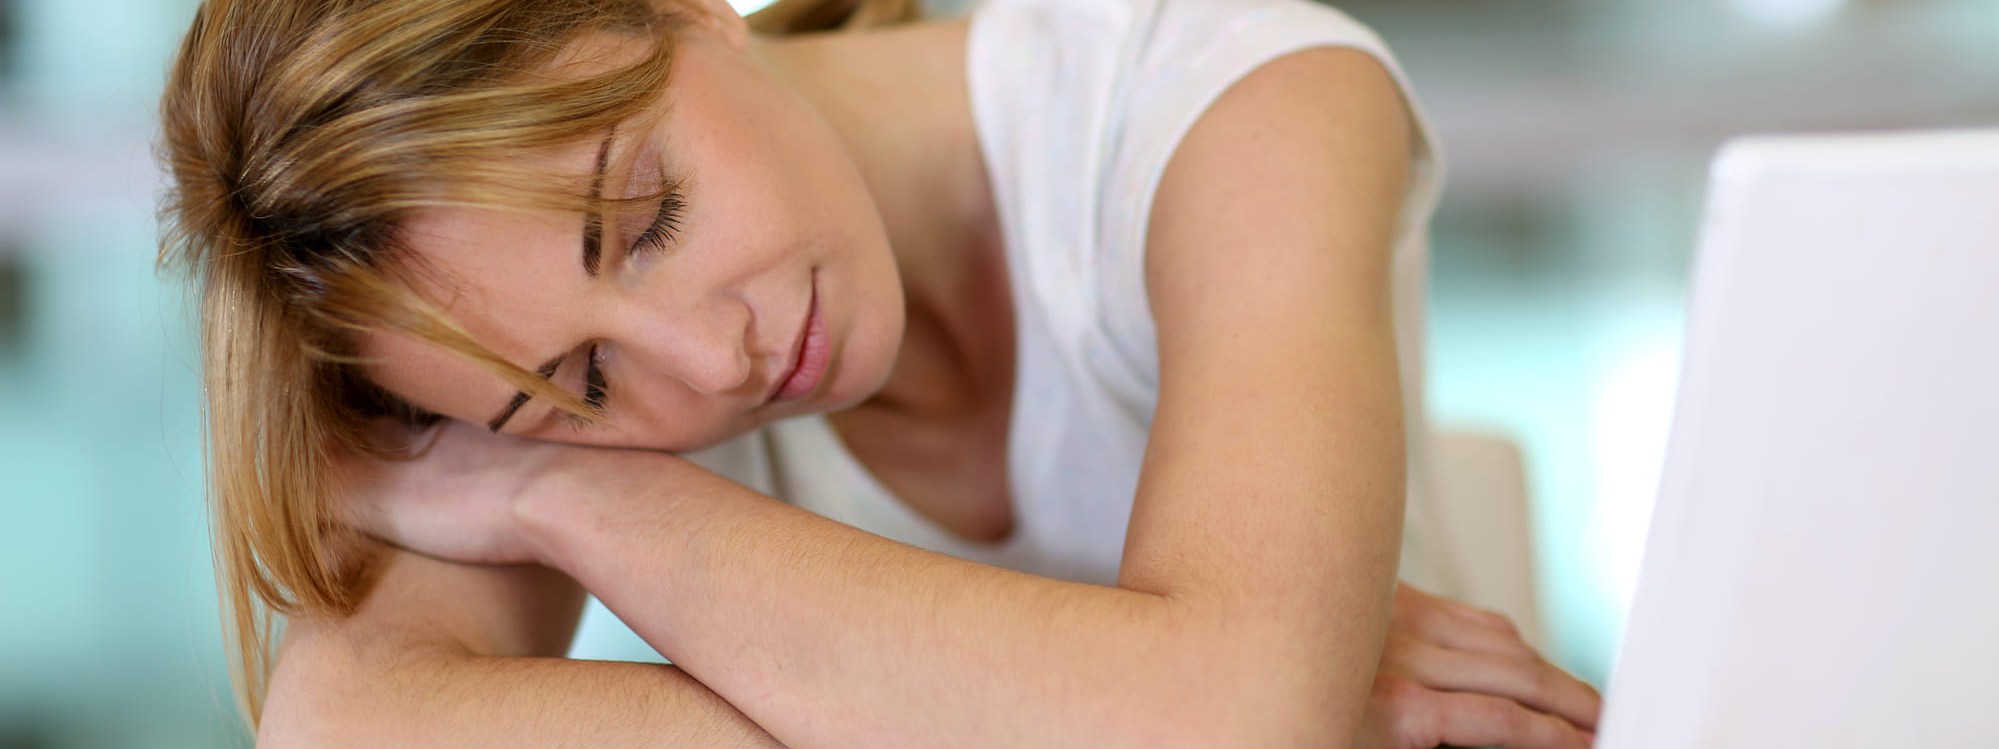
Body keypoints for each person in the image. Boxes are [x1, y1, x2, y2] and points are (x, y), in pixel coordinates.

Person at [158, 0, 1601, 746]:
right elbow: (345, 728)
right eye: (578, 386)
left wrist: (582, 500)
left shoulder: (1229, 94)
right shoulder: (499, 374)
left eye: (647, 218)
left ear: (687, 6)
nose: (705, 361)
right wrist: (1126, 696)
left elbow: (1219, 725)